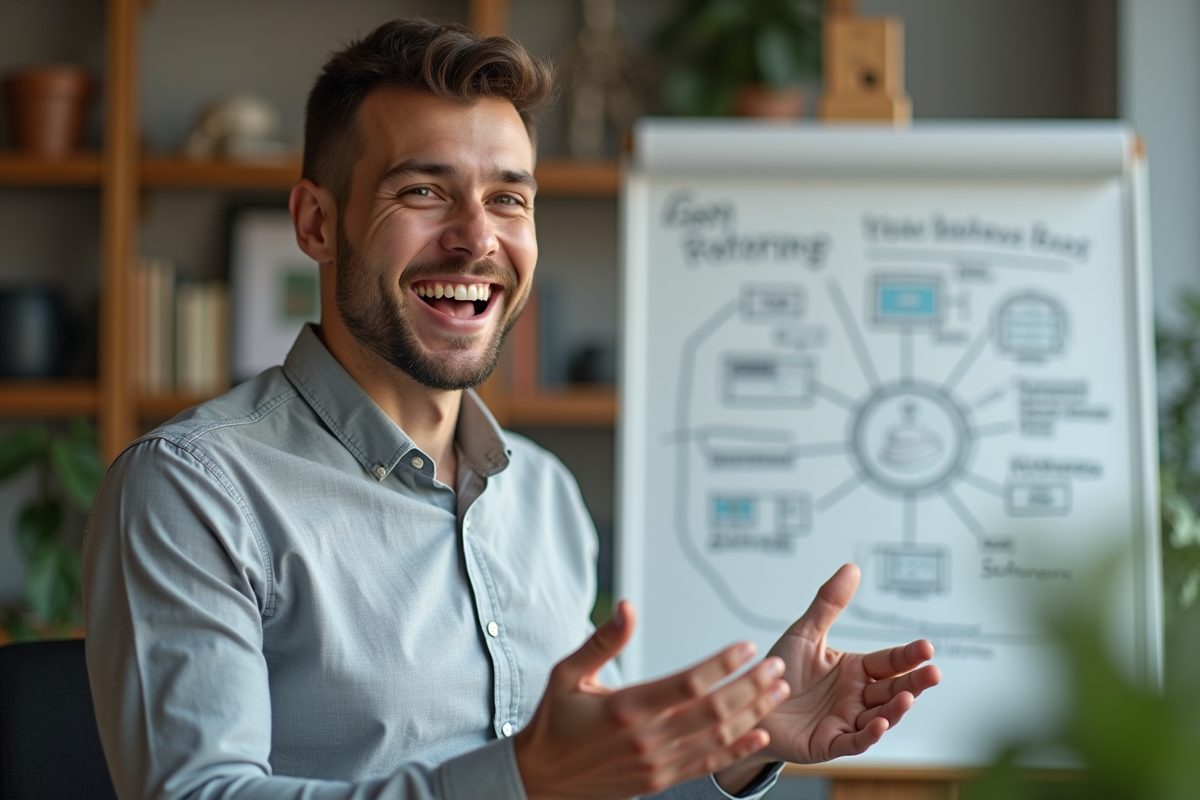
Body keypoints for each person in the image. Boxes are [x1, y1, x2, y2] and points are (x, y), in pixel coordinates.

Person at [82, 18, 941, 800]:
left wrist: (741, 748)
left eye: (509, 198)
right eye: (423, 192)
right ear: (316, 222)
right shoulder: (193, 490)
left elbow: (585, 782)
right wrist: (516, 780)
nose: (477, 237)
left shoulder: (547, 497)